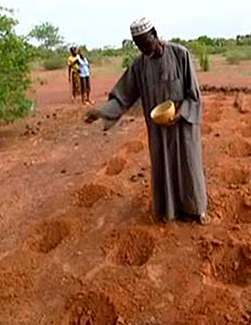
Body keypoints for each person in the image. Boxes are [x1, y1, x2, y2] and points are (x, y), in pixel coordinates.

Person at [85, 17, 208, 224]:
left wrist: (180, 112)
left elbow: (194, 95)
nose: (142, 48)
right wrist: (102, 112)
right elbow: (123, 95)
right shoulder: (139, 65)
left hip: (183, 128)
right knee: (164, 168)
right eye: (138, 45)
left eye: (145, 42)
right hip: (158, 131)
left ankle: (196, 210)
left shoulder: (180, 55)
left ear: (155, 34)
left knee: (189, 167)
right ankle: (170, 211)